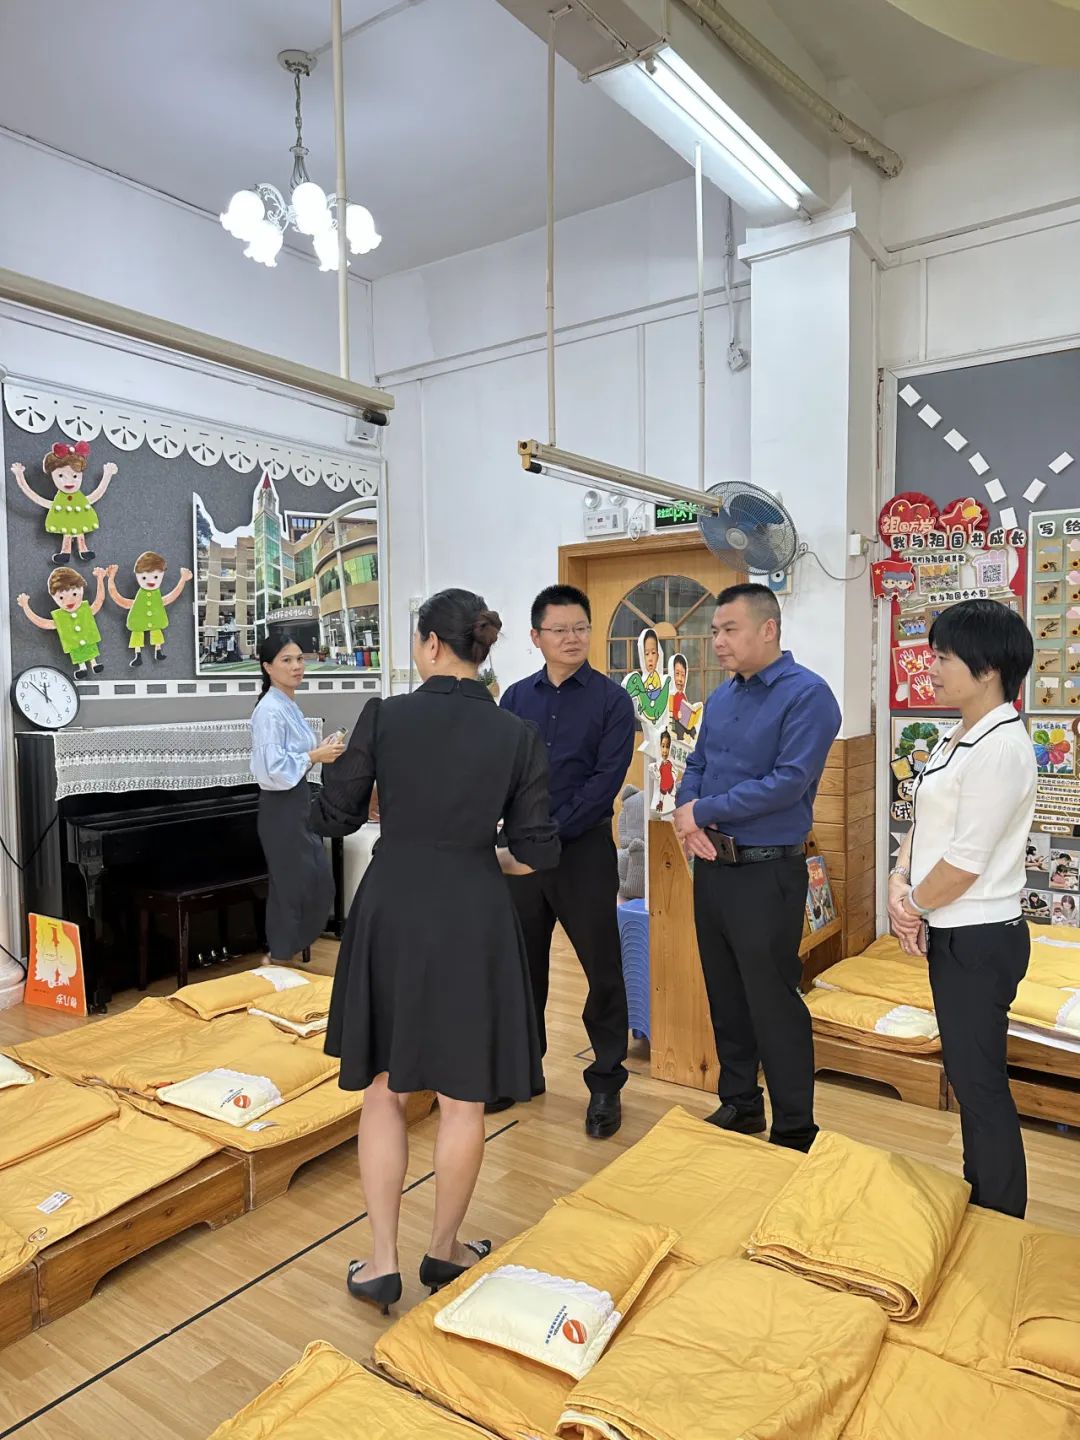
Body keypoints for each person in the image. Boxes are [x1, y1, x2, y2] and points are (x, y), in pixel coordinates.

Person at [310, 589, 559, 1315]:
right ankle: (444, 1251)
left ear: (428, 644)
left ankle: (381, 1263)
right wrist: (488, 857)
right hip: (473, 910)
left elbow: (334, 815)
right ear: (480, 650)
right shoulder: (516, 733)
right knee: (463, 1098)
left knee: (385, 1090)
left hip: (393, 905)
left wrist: (359, 787)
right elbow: (538, 850)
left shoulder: (385, 716)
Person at [674, 583, 841, 1152]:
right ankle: (741, 1103)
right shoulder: (721, 697)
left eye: (729, 629)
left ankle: (795, 1126)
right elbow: (696, 764)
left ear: (767, 629)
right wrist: (688, 814)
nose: (717, 641)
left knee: (773, 1001)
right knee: (724, 994)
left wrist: (703, 811)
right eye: (715, 631)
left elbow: (787, 783)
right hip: (713, 868)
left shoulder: (808, 695)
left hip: (768, 874)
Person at [888, 599, 1036, 1218]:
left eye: (943, 658)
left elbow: (966, 862)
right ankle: (981, 1199)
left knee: (979, 1086)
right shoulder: (961, 735)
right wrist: (899, 879)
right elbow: (927, 827)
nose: (931, 668)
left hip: (979, 937)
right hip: (953, 930)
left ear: (988, 668)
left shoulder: (1001, 747)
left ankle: (1001, 1219)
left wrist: (912, 907)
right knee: (969, 1077)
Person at [497, 584, 636, 1138]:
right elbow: (501, 774)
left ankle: (605, 1084)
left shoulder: (612, 701)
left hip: (583, 854)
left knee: (603, 971)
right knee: (520, 969)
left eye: (580, 628)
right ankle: (521, 1072)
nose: (572, 638)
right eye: (559, 630)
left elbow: (605, 783)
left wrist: (549, 835)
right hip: (521, 857)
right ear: (537, 637)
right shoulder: (515, 699)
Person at [250, 635, 344, 965]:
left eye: (300, 659)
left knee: (316, 881)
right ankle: (278, 959)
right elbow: (273, 769)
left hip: (299, 801)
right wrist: (315, 755)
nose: (296, 666)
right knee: (292, 887)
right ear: (268, 667)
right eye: (287, 660)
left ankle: (281, 957)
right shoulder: (269, 711)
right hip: (281, 807)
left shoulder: (289, 705)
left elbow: (296, 757)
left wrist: (320, 750)